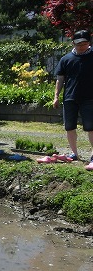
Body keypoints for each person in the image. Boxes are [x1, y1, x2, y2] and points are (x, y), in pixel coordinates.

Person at [53, 29, 93, 170]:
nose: (81, 46)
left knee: (91, 127)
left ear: (89, 42)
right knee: (69, 127)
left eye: (84, 43)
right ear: (73, 43)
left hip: (90, 98)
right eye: (78, 44)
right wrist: (56, 96)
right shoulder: (66, 59)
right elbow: (60, 79)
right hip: (70, 97)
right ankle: (74, 154)